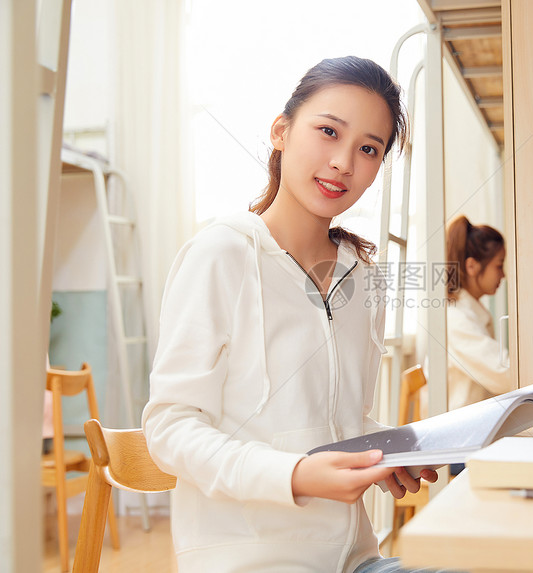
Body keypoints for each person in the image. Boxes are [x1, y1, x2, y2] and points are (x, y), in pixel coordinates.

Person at [142, 56, 438, 572]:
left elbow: (330, 417)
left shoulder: (363, 278)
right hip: (250, 562)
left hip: (355, 560)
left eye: (368, 149)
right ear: (281, 131)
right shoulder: (221, 253)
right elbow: (170, 429)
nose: (344, 162)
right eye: (328, 131)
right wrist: (295, 475)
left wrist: (386, 450)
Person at [445, 215, 512, 412]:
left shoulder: (468, 313)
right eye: (499, 266)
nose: (503, 275)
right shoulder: (457, 319)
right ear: (472, 266)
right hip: (458, 431)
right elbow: (505, 376)